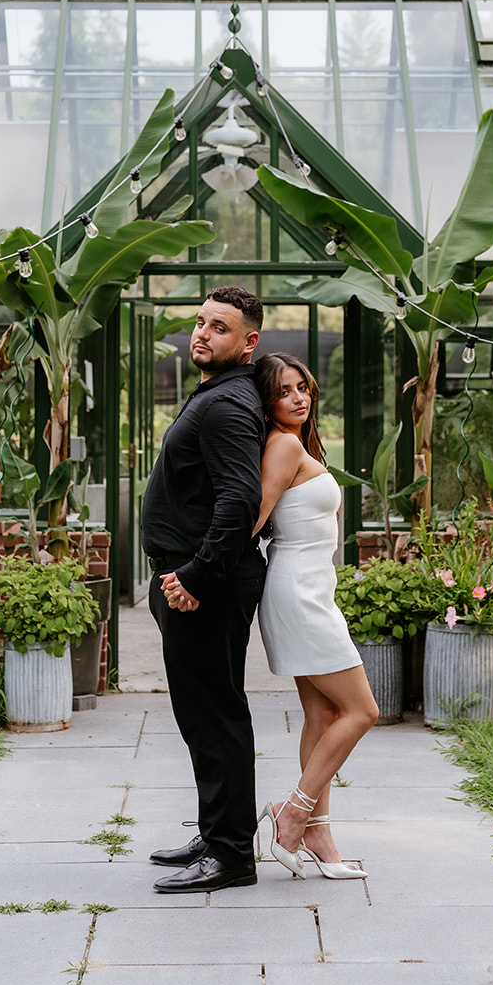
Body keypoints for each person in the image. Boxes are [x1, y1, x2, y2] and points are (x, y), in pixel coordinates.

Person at [141, 286, 267, 895]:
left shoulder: (227, 405)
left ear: (249, 343)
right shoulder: (218, 395)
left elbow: (240, 502)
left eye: (219, 328)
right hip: (189, 578)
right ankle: (218, 833)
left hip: (203, 584)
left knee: (215, 716)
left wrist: (193, 577)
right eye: (200, 323)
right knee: (201, 716)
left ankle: (231, 855)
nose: (202, 334)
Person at [253, 352, 379, 879]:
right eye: (285, 391)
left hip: (311, 590)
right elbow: (252, 518)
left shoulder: (297, 443)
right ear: (268, 399)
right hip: (298, 594)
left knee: (324, 716)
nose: (299, 398)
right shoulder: (282, 445)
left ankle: (320, 835)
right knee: (362, 711)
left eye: (303, 387)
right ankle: (294, 814)